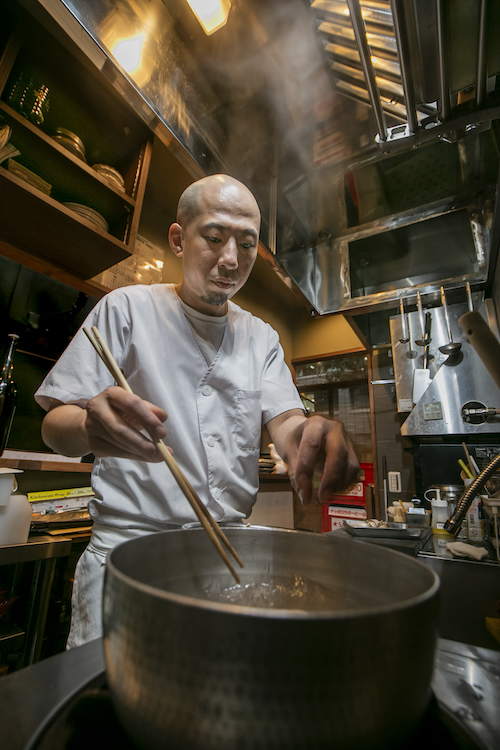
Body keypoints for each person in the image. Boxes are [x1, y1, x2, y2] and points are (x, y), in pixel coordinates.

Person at [35, 174, 359, 647]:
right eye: (214, 237)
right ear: (178, 239)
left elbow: (287, 424)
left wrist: (312, 436)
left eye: (246, 244)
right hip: (129, 557)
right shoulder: (126, 308)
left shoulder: (261, 337)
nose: (231, 259)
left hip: (225, 559)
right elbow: (52, 426)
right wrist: (88, 426)